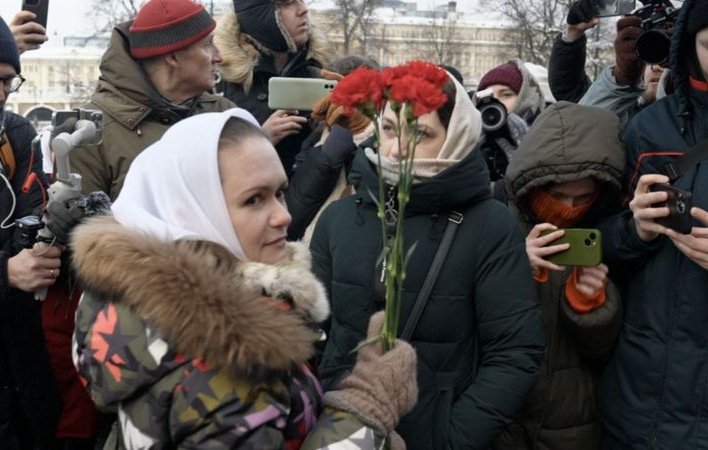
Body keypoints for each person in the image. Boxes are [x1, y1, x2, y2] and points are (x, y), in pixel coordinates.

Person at [70, 108, 417, 449]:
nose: (284, 215)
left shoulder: (136, 308)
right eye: (254, 199)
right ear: (192, 212)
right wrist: (368, 410)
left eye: (280, 192)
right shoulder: (228, 365)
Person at [310, 72, 546, 449]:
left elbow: (514, 353)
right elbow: (314, 336)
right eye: (388, 128)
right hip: (342, 434)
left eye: (419, 135)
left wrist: (451, 438)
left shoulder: (489, 224)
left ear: (455, 136)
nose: (396, 150)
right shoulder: (339, 219)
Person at [597, 0, 708, 447]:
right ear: (690, 44)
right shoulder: (648, 129)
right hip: (641, 397)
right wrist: (634, 230)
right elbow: (594, 243)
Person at [493, 101, 625, 449]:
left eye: (583, 197)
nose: (569, 208)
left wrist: (590, 305)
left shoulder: (599, 236)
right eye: (557, 195)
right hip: (500, 417)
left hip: (571, 423)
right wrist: (517, 272)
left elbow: (602, 353)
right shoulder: (496, 227)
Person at [70, 0, 234, 200]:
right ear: (173, 57)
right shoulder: (91, 131)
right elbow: (86, 229)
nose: (219, 57)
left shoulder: (223, 114)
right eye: (208, 45)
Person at [0, 16, 62, 449]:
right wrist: (5, 272)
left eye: (5, 81)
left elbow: (32, 213)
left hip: (17, 357)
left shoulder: (15, 133)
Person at [215, 0, 331, 177]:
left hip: (308, 198)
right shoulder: (221, 83)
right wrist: (261, 139)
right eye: (287, 3)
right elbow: (209, 165)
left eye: (302, 1)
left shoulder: (320, 74)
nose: (303, 9)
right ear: (260, 15)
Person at [286, 55, 379, 241]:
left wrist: (367, 137)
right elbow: (292, 218)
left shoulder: (393, 140)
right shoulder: (316, 141)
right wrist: (327, 156)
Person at [579, 16, 669, 128]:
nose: (656, 68)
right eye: (649, 59)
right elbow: (583, 130)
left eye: (664, 60)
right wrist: (623, 78)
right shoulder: (626, 114)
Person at [476, 59, 546, 125]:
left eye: (506, 95)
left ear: (526, 98)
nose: (494, 102)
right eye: (487, 97)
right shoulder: (469, 135)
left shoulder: (550, 134)